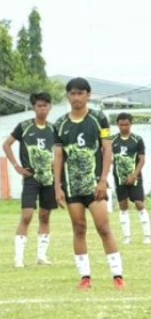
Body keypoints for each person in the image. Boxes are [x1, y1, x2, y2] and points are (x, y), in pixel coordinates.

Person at [52, 77, 124, 290]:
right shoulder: (60, 124)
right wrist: (57, 186)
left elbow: (107, 149)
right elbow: (58, 156)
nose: (76, 97)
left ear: (88, 95)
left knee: (103, 227)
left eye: (80, 93)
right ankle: (85, 277)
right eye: (72, 93)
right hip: (72, 187)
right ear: (68, 96)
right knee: (79, 228)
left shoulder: (98, 118)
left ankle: (117, 275)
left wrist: (103, 180)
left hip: (94, 185)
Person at [2, 92, 57, 268]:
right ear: (34, 107)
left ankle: (42, 256)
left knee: (45, 216)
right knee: (27, 215)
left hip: (48, 178)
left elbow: (61, 152)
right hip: (31, 178)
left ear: (50, 107)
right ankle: (19, 258)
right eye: (39, 106)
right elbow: (7, 144)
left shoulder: (53, 129)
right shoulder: (24, 126)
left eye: (45, 105)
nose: (42, 109)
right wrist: (17, 166)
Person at [111, 112, 149, 245]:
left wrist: (134, 175)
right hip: (119, 178)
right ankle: (127, 237)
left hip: (135, 178)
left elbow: (142, 159)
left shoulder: (137, 140)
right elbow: (107, 157)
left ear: (131, 124)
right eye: (121, 125)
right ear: (117, 125)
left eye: (126, 124)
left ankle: (147, 235)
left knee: (139, 204)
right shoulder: (112, 140)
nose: (124, 127)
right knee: (123, 205)